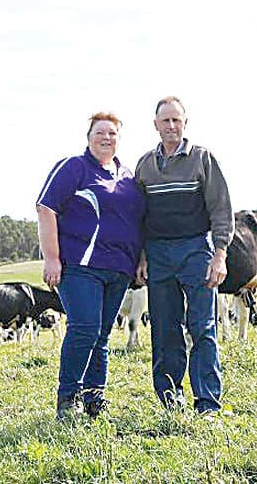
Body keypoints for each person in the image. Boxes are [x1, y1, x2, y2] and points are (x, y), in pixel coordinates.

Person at [36, 112, 145, 420]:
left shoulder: (127, 176)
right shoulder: (74, 167)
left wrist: (139, 261)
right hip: (80, 266)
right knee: (85, 328)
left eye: (112, 133)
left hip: (119, 268)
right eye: (100, 132)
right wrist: (52, 258)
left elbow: (137, 221)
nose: (106, 137)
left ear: (119, 139)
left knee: (102, 335)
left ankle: (95, 398)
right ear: (89, 137)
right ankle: (68, 398)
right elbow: (45, 209)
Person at [135, 96, 233, 415]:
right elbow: (139, 216)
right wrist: (142, 257)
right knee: (164, 328)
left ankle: (207, 403)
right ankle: (170, 400)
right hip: (158, 253)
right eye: (166, 120)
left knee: (202, 327)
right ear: (156, 125)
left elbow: (221, 209)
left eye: (177, 120)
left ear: (185, 123)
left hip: (196, 250)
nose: (172, 126)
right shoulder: (145, 166)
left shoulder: (202, 160)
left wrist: (219, 254)